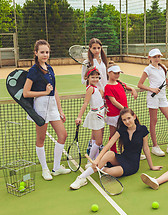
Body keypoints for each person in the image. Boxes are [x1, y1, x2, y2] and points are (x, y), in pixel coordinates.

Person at [70, 108, 163, 190]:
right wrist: (97, 159)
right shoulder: (122, 129)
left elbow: (146, 148)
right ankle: (81, 178)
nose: (127, 121)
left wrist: (152, 166)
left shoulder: (143, 130)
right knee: (109, 154)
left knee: (107, 172)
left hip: (132, 165)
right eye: (124, 120)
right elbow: (109, 144)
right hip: (122, 157)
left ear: (134, 116)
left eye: (129, 118)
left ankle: (101, 166)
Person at [23, 39, 70, 181]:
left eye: (47, 52)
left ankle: (56, 167)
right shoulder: (33, 71)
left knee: (63, 135)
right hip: (41, 106)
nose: (45, 54)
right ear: (36, 53)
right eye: (42, 52)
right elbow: (26, 93)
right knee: (41, 138)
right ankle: (45, 169)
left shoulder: (50, 69)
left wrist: (60, 110)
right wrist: (44, 92)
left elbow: (54, 90)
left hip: (53, 107)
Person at [137, 48, 168, 157]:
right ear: (149, 58)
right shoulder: (147, 69)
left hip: (162, 97)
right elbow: (140, 84)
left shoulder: (163, 67)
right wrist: (152, 89)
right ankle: (155, 146)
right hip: (153, 97)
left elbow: (166, 83)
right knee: (154, 121)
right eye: (154, 57)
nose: (157, 58)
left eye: (158, 56)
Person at [81, 38, 108, 159]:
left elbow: (106, 78)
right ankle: (94, 148)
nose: (97, 50)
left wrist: (104, 91)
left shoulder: (103, 61)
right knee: (97, 127)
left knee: (101, 125)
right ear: (90, 49)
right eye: (94, 48)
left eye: (98, 48)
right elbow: (83, 79)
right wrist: (93, 89)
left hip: (105, 96)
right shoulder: (87, 63)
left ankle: (95, 148)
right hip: (96, 96)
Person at [104, 61, 137, 154]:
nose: (117, 75)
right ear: (109, 73)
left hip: (123, 114)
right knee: (114, 134)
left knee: (126, 133)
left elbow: (127, 87)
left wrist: (133, 89)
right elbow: (113, 101)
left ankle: (128, 152)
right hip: (114, 115)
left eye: (118, 73)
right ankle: (113, 153)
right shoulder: (107, 87)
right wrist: (125, 110)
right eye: (115, 73)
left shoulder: (119, 83)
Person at [76, 66, 105, 165]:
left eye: (97, 77)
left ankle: (95, 158)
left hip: (100, 114)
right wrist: (79, 117)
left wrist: (101, 94)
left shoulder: (95, 88)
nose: (95, 79)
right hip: (96, 116)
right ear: (87, 78)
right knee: (99, 141)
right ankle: (90, 161)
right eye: (93, 77)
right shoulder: (90, 89)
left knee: (94, 138)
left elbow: (96, 99)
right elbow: (85, 103)